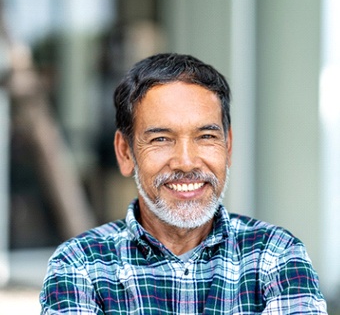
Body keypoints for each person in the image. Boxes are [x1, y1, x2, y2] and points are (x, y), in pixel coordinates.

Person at [40, 53, 327, 314]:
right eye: (161, 139)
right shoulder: (81, 265)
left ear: (228, 148)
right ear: (125, 153)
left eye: (206, 137)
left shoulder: (275, 255)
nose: (187, 162)